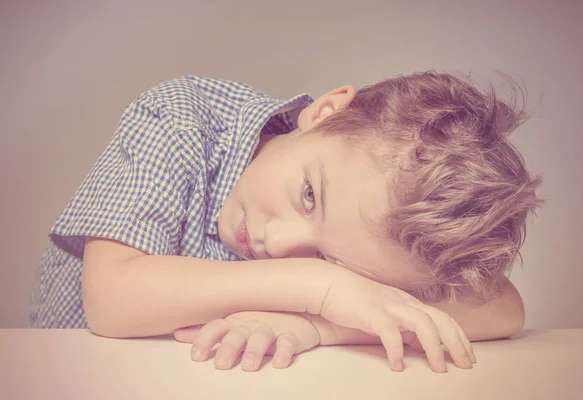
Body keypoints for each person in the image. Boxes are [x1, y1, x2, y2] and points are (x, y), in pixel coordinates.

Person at [26, 71, 542, 373]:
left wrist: (317, 326)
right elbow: (111, 299)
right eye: (309, 196)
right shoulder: (180, 118)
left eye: (328, 257)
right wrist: (320, 284)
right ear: (326, 114)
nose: (280, 242)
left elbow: (504, 310)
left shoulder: (377, 240)